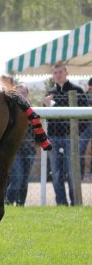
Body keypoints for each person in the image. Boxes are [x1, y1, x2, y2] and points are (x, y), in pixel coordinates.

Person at [44, 62, 88, 206]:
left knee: (72, 171)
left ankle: (75, 202)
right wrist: (46, 106)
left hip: (71, 137)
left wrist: (76, 134)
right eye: (55, 73)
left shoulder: (77, 90)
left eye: (60, 72)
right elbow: (48, 119)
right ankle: (61, 203)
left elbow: (85, 117)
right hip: (54, 137)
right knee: (56, 173)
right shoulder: (49, 93)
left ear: (66, 72)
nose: (58, 75)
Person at [5, 84, 36, 206]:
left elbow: (38, 128)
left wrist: (36, 141)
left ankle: (20, 204)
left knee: (24, 179)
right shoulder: (8, 110)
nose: (22, 95)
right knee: (17, 177)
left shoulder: (31, 111)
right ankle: (8, 202)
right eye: (19, 93)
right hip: (14, 149)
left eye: (24, 93)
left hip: (29, 149)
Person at [79, 77, 92, 179]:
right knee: (80, 149)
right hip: (86, 126)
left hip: (86, 126)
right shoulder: (85, 95)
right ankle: (80, 173)